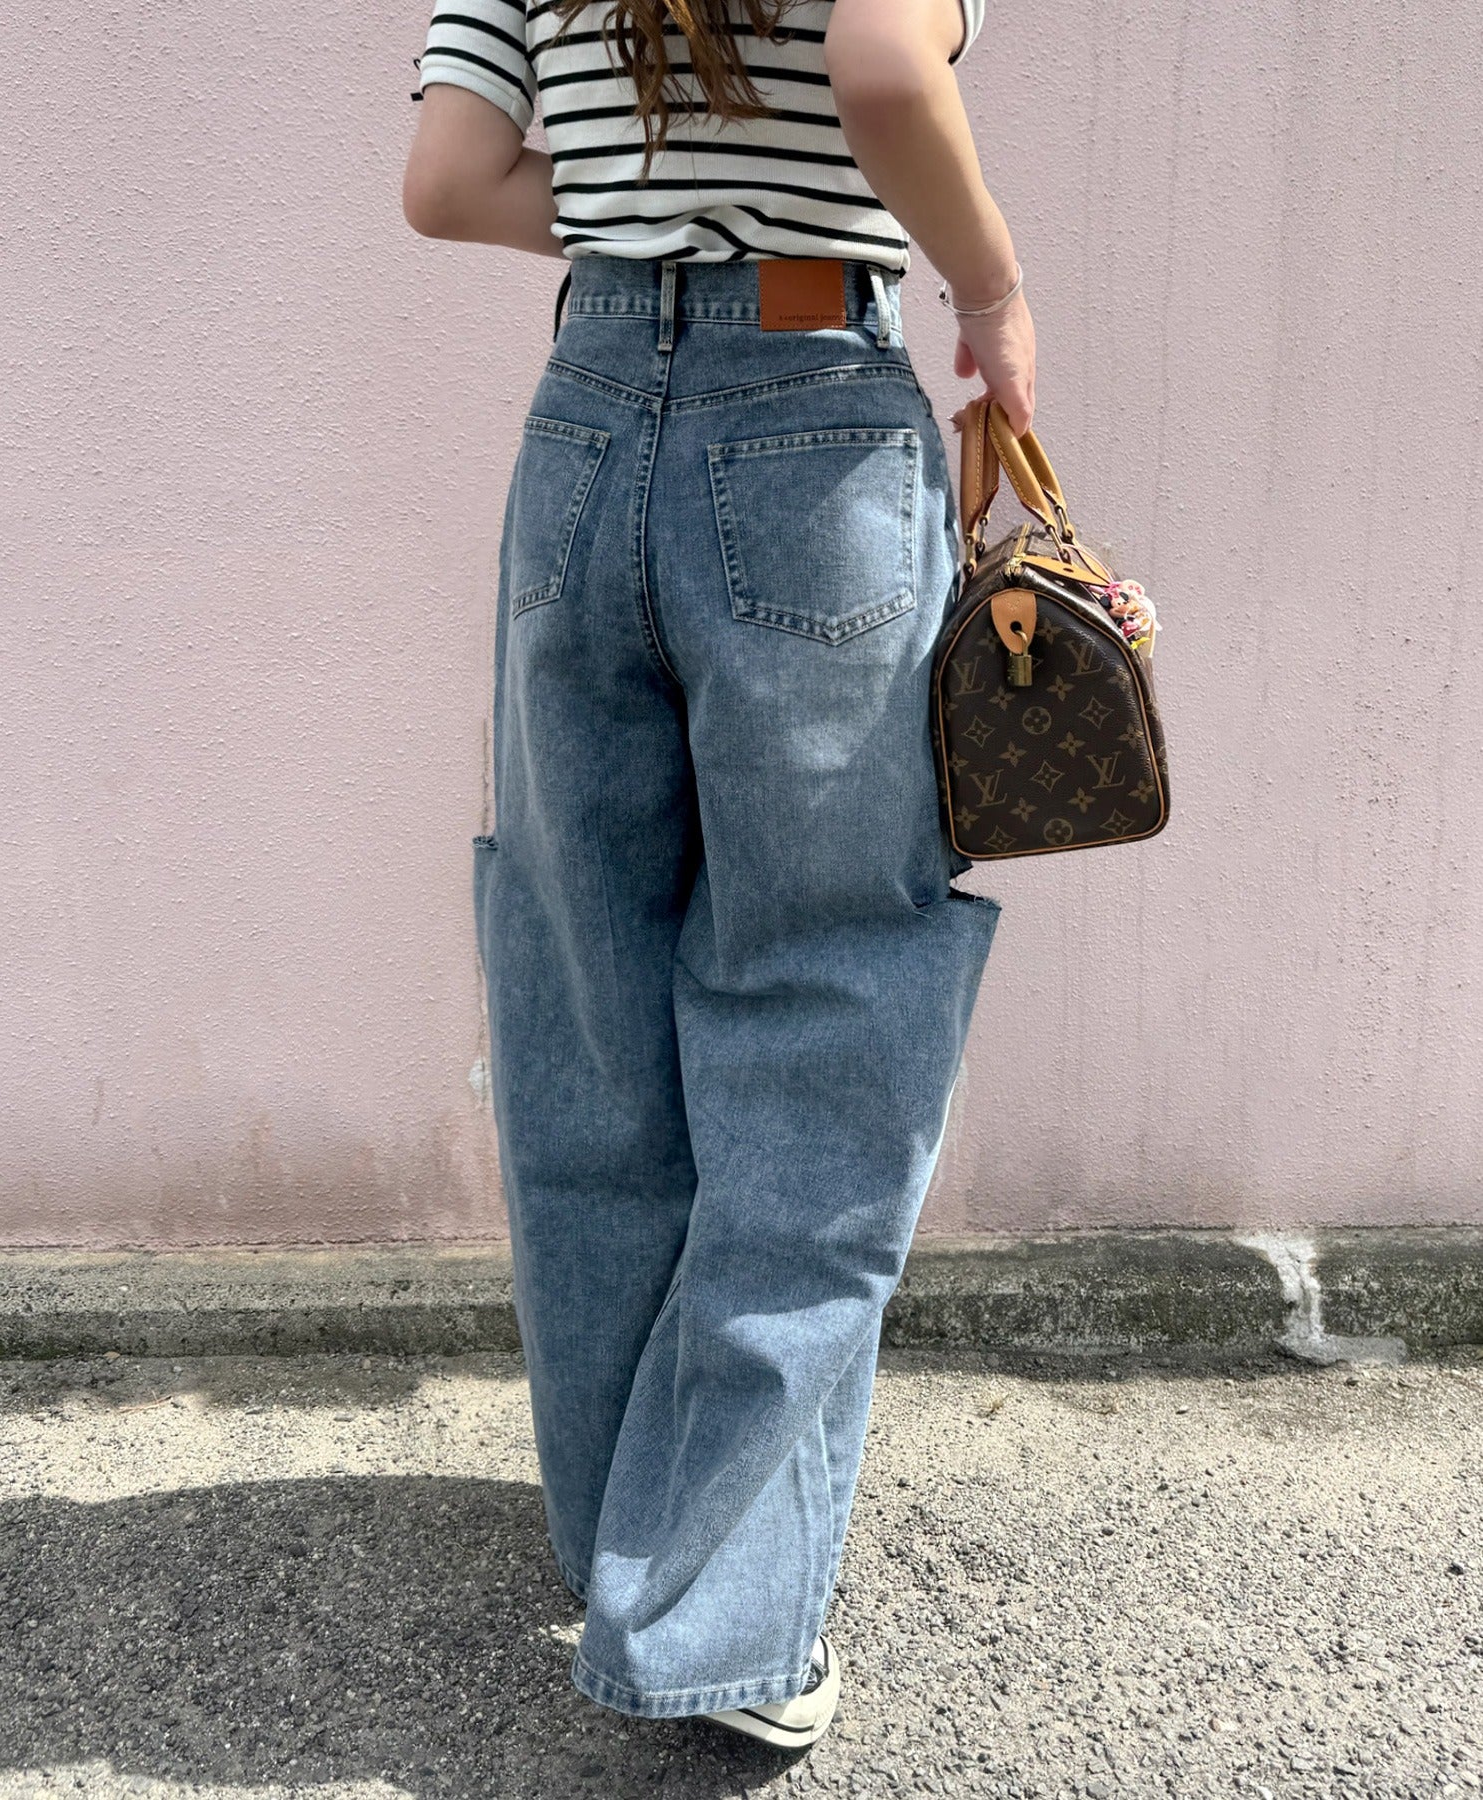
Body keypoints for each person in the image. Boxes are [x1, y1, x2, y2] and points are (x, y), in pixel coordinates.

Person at [402, 0, 1034, 1749]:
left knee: (586, 1000)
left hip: (584, 423)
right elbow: (883, 69)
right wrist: (990, 287)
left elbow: (448, 180)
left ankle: (624, 1527)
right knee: (822, 1011)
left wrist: (644, 224)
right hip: (810, 418)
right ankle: (712, 1617)